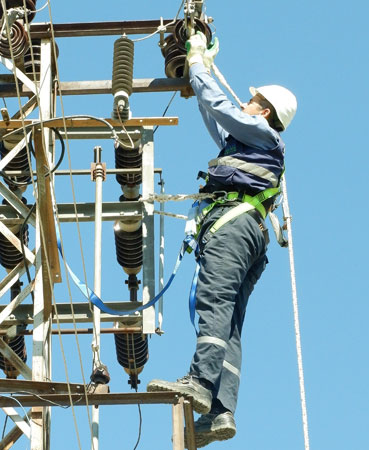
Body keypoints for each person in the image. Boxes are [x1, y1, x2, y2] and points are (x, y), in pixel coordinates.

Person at [146, 30, 297, 447]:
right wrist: (201, 72)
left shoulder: (261, 134)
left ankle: (198, 382)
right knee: (228, 319)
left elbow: (220, 105)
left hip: (234, 227)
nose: (245, 104)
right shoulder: (250, 143)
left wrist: (196, 62)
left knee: (213, 302)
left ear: (264, 111)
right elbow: (212, 112)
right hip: (249, 233)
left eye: (252, 102)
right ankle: (219, 411)